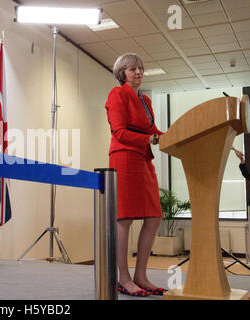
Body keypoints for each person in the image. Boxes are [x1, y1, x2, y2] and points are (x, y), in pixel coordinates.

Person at [105, 53, 166, 297]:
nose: (138, 72)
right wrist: (149, 138)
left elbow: (153, 130)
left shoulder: (146, 100)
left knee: (154, 217)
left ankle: (141, 275)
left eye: (140, 68)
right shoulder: (117, 94)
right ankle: (124, 278)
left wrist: (172, 135)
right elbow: (119, 131)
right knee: (126, 218)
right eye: (131, 69)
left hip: (143, 159)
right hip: (124, 157)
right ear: (122, 74)